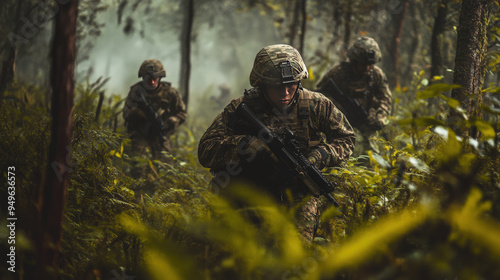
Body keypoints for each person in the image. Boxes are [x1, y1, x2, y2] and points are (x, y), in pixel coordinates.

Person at [198, 44, 355, 243]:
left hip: (297, 191)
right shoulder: (242, 108)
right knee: (237, 254)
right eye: (277, 86)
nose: (286, 93)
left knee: (295, 251)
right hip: (249, 189)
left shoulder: (317, 104)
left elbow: (347, 138)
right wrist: (244, 145)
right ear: (262, 84)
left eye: (292, 85)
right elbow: (206, 149)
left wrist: (320, 156)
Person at [316, 36, 392, 154]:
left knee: (371, 152)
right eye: (363, 63)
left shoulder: (377, 75)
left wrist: (380, 116)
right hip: (338, 120)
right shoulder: (339, 72)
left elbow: (385, 99)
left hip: (364, 120)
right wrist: (334, 108)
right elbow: (318, 94)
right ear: (354, 60)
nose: (367, 67)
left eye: (370, 64)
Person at [123, 59, 186, 159]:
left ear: (160, 78)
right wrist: (139, 114)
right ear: (143, 78)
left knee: (165, 167)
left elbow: (182, 113)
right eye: (148, 78)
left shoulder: (170, 93)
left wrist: (172, 121)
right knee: (139, 164)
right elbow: (126, 114)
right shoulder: (137, 92)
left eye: (155, 78)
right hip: (140, 135)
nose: (152, 81)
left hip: (160, 135)